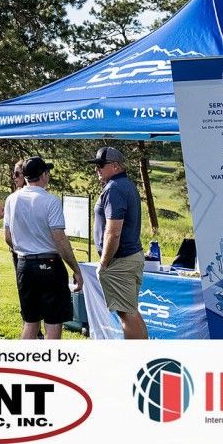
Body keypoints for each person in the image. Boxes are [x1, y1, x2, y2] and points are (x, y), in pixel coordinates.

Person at [3, 156, 83, 339]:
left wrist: (25, 249)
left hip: (23, 264)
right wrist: (75, 268)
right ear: (43, 175)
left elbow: (8, 237)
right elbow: (60, 239)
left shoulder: (12, 199)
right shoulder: (50, 201)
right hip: (49, 264)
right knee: (53, 323)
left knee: (30, 323)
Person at [88, 145, 148, 339]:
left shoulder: (114, 188)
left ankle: (137, 363)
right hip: (129, 257)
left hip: (120, 261)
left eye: (100, 165)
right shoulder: (126, 185)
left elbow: (113, 232)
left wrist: (104, 264)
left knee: (127, 315)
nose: (96, 169)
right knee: (131, 311)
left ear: (115, 166)